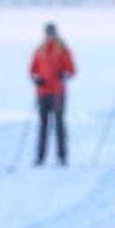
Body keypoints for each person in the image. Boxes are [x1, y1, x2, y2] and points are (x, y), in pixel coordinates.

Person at [30, 21, 75, 166]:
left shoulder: (62, 49)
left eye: (52, 33)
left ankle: (62, 156)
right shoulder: (40, 49)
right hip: (43, 92)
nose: (50, 36)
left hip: (57, 92)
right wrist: (36, 79)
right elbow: (33, 69)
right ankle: (40, 156)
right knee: (43, 124)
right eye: (48, 33)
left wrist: (64, 75)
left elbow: (71, 69)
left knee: (59, 123)